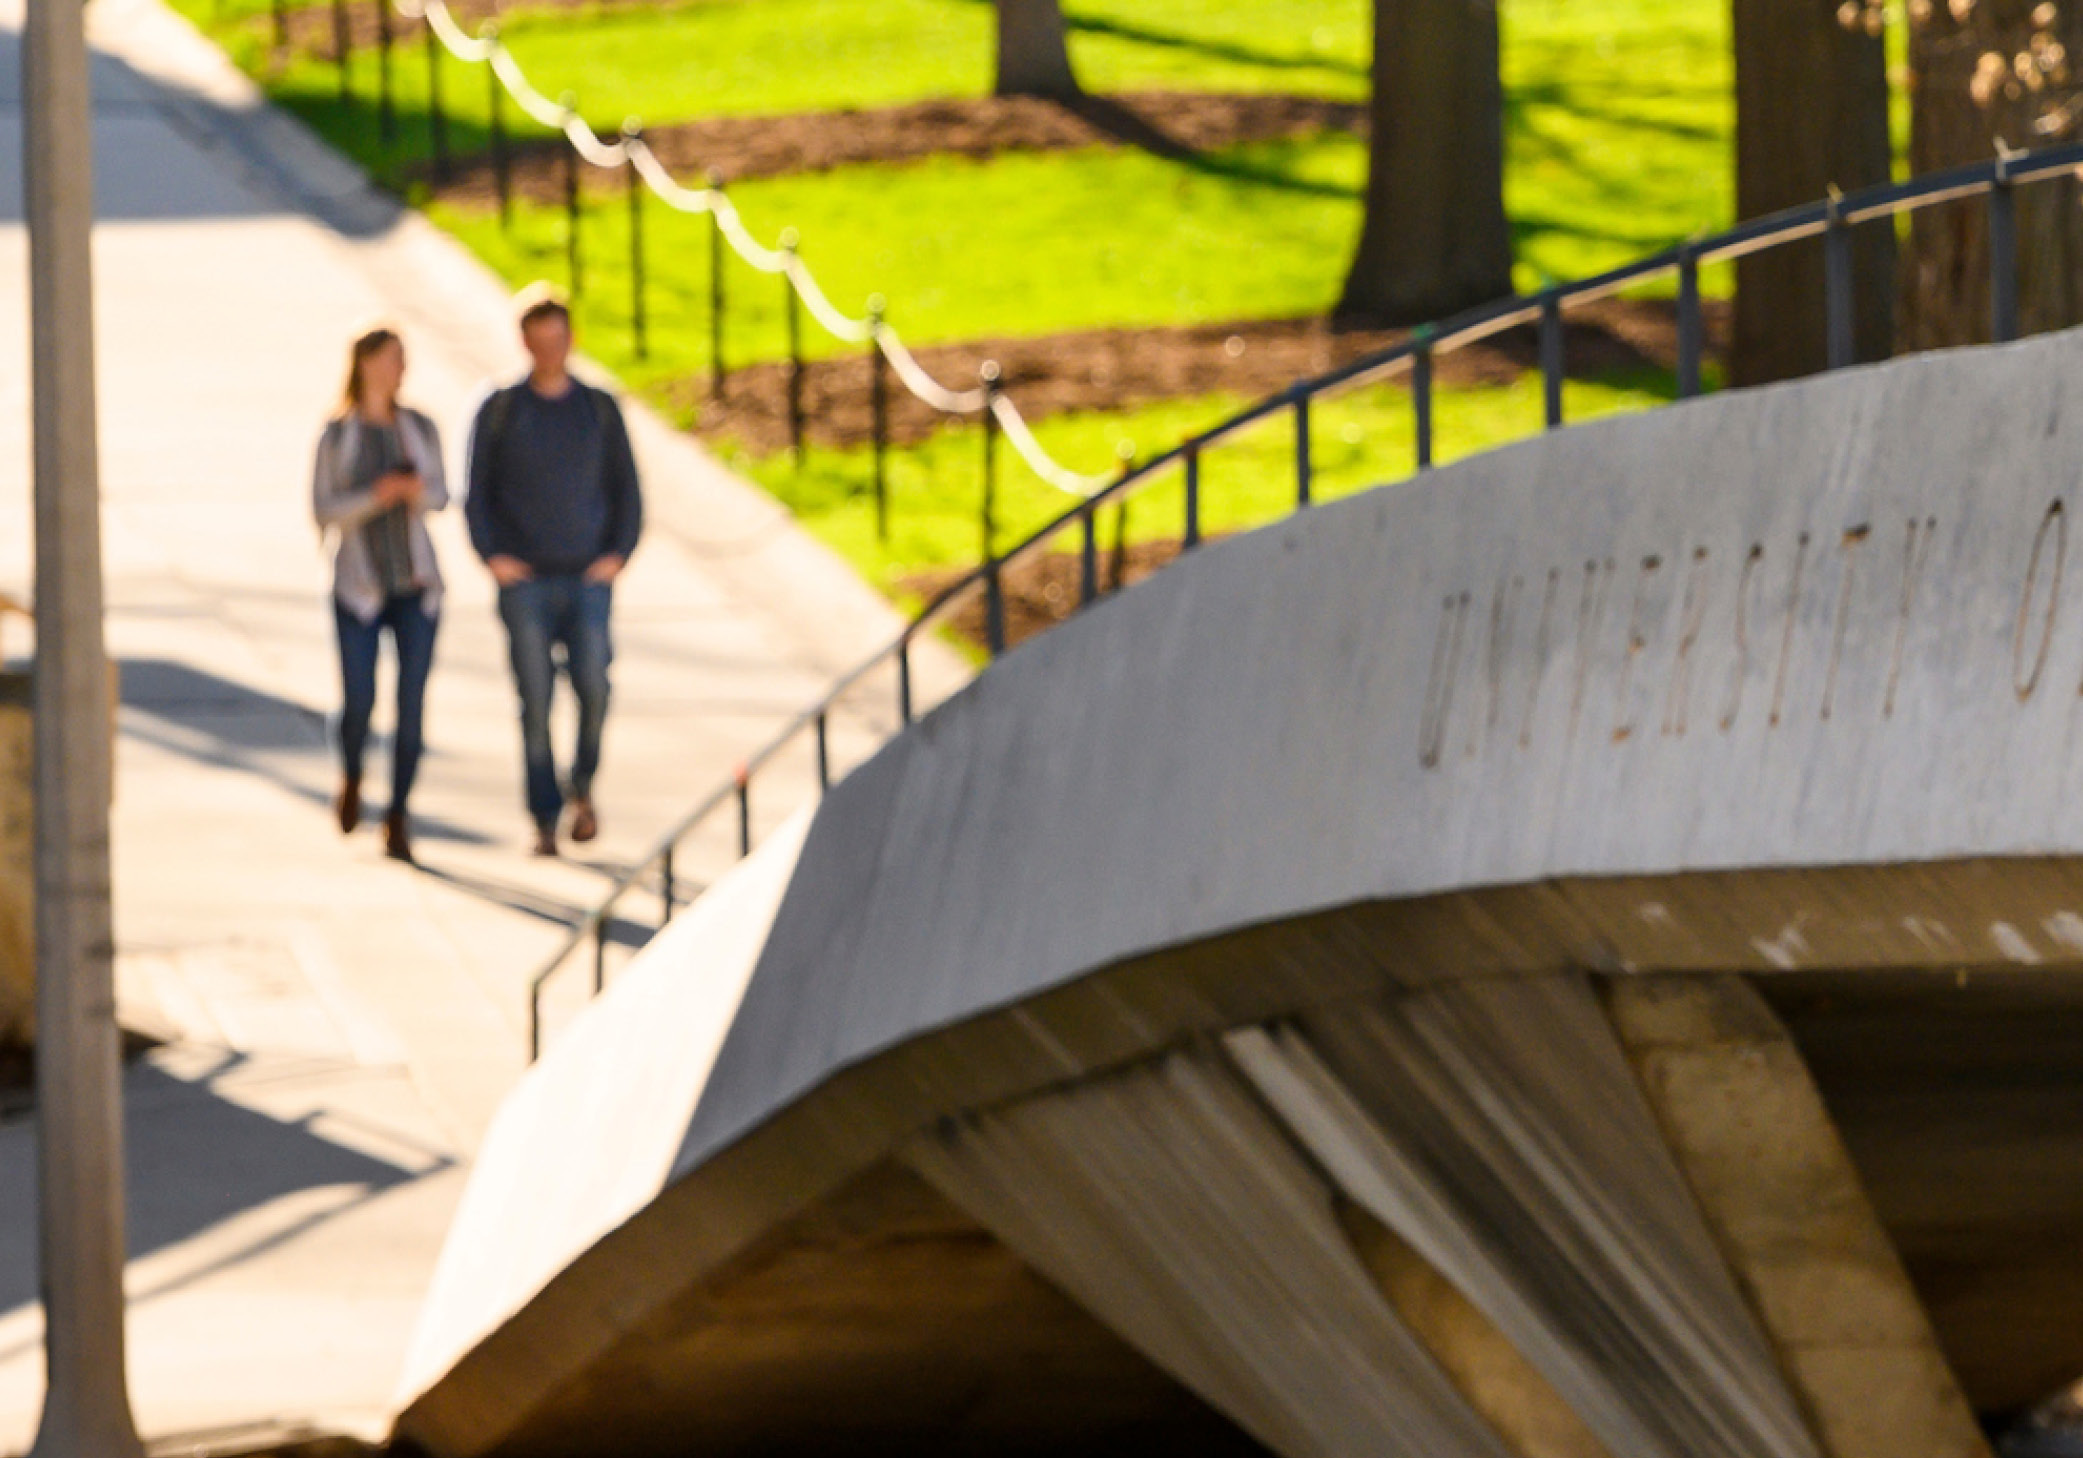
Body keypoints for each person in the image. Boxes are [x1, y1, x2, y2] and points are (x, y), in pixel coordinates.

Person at [466, 291, 642, 857]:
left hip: (587, 577)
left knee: (594, 684)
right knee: (536, 700)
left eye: (558, 339)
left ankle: (582, 787)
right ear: (524, 343)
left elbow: (627, 488)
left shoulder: (597, 408)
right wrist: (492, 556)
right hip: (527, 582)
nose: (550, 351)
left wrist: (618, 552)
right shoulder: (502, 409)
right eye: (538, 341)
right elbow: (477, 493)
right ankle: (543, 816)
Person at [312, 325, 447, 864]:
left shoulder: (418, 426)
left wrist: (416, 492)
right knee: (360, 700)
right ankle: (350, 772)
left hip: (416, 586)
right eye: (391, 360)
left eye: (403, 360)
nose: (399, 370)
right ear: (366, 364)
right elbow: (323, 509)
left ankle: (399, 813)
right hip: (360, 588)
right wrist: (377, 495)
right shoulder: (338, 434)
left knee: (411, 706)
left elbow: (440, 495)